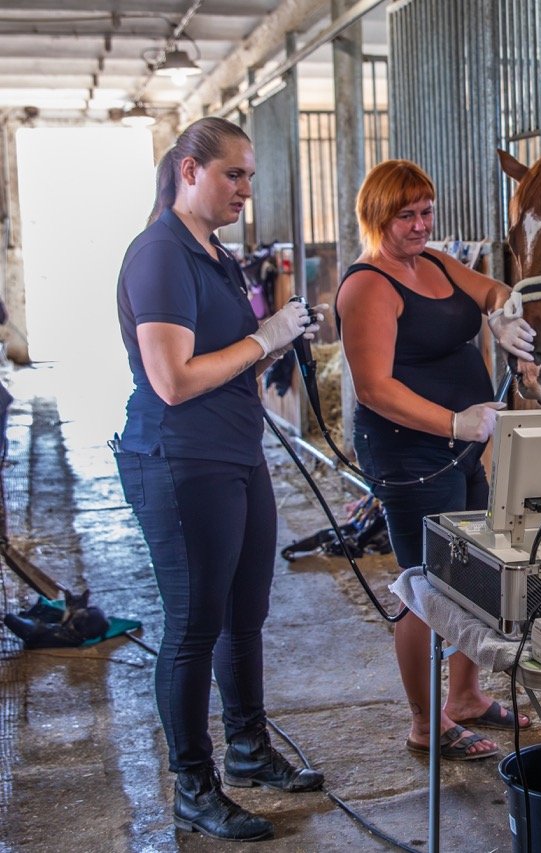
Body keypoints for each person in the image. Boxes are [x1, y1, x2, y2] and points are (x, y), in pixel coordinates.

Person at [114, 116, 324, 843]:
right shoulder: (159, 255)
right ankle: (193, 787)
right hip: (179, 458)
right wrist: (261, 339)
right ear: (188, 170)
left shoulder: (215, 254)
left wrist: (280, 342)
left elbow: (227, 359)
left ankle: (247, 748)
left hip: (235, 451)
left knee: (246, 611)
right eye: (232, 174)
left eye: (249, 177)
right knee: (195, 622)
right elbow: (173, 380)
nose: (244, 189)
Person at [336, 159, 536, 761]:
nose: (422, 225)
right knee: (424, 587)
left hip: (463, 445)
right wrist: (455, 421)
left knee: (473, 570)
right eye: (407, 216)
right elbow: (373, 387)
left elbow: (493, 291)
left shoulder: (434, 263)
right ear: (377, 217)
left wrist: (504, 318)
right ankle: (425, 725)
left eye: (426, 212)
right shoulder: (368, 285)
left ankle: (467, 698)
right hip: (411, 452)